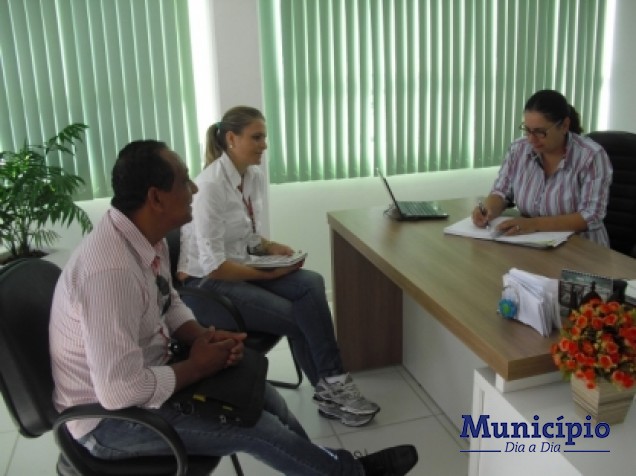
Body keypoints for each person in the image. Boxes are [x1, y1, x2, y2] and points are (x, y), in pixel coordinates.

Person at [49, 140, 418, 476]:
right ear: (156, 197)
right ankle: (351, 473)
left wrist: (202, 336)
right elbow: (118, 392)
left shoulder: (147, 237)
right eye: (183, 181)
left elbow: (169, 299)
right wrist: (195, 366)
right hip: (109, 423)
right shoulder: (109, 272)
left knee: (266, 395)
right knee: (255, 429)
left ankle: (330, 467)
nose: (194, 188)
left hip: (149, 376)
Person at [177, 106, 380, 427]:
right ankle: (334, 387)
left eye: (264, 137)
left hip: (240, 268)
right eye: (256, 137)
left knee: (311, 282)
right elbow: (214, 266)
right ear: (231, 138)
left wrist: (272, 249)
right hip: (206, 287)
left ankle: (332, 387)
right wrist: (269, 273)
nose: (264, 145)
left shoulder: (252, 177)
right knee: (302, 316)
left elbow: (247, 237)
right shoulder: (210, 187)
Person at [471, 89, 612, 246]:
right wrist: (487, 209)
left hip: (582, 250)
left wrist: (533, 224)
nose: (531, 139)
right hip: (531, 243)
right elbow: (501, 192)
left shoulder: (591, 156)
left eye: (540, 132)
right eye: (527, 130)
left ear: (564, 125)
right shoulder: (519, 150)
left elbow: (591, 216)